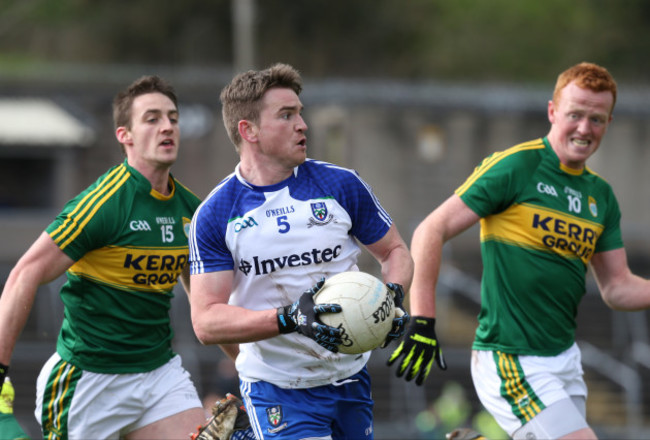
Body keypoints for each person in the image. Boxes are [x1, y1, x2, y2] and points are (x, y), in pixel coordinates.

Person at [388, 62, 650, 439]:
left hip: (564, 360)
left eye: (597, 119)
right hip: (509, 357)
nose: (584, 128)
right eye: (575, 114)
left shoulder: (601, 197)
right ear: (552, 111)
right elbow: (432, 228)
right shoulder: (517, 166)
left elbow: (618, 287)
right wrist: (423, 320)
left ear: (608, 123)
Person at [188, 63, 413, 439]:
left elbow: (395, 251)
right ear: (249, 130)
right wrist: (289, 317)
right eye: (286, 115)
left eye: (300, 113)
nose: (302, 125)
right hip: (277, 387)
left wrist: (392, 297)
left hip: (350, 377)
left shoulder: (341, 185)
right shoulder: (214, 214)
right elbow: (207, 321)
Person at [0, 75, 207, 439]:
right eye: (152, 118)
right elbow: (24, 274)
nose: (167, 127)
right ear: (124, 135)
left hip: (160, 375)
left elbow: (206, 307)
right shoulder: (103, 204)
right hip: (89, 380)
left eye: (173, 118)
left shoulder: (192, 210)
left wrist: (250, 371)